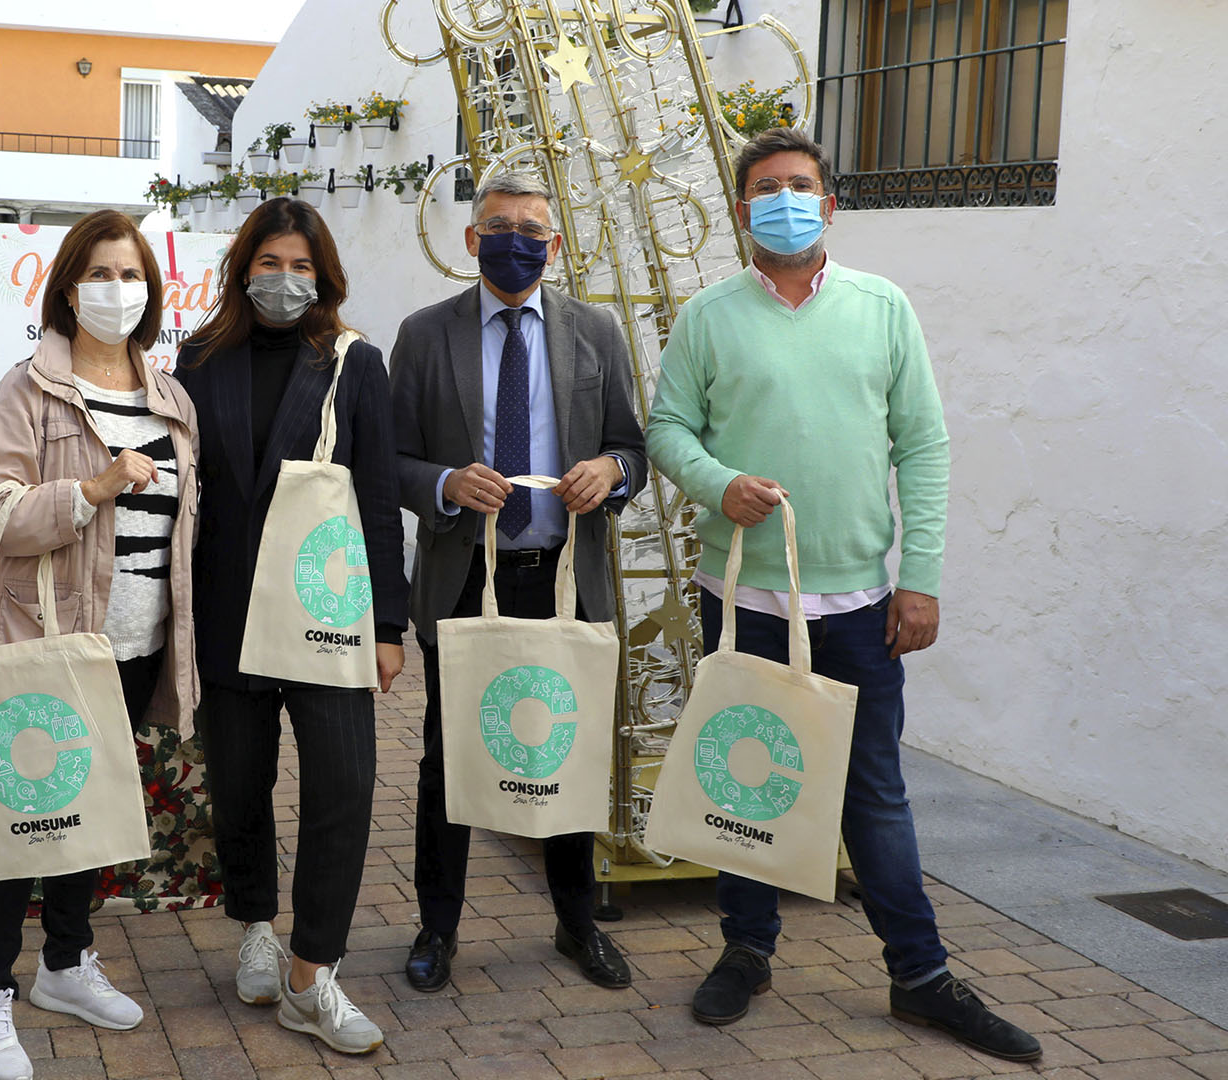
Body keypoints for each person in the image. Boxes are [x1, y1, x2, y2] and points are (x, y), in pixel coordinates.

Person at [646, 128, 1041, 1063]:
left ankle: (921, 977)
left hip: (860, 603)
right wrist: (718, 483)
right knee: (746, 776)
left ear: (830, 204)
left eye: (801, 185)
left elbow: (925, 447)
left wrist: (923, 579)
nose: (785, 199)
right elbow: (666, 428)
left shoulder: (882, 307)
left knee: (874, 796)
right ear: (742, 209)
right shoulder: (707, 315)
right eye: (766, 188)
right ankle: (746, 950)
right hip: (742, 595)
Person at [387, 170, 648, 994]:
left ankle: (576, 924)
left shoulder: (595, 332)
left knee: (563, 751)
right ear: (472, 240)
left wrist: (609, 471)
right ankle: (438, 926)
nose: (515, 242)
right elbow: (387, 459)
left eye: (532, 231)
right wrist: (442, 484)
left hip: (562, 580)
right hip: (465, 579)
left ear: (555, 244)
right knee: (449, 759)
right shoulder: (425, 336)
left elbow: (632, 450)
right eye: (499, 227)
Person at [0, 210, 201, 1080]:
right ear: (68, 287)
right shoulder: (29, 391)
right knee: (23, 819)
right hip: (51, 638)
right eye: (99, 274)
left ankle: (64, 963)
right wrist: (93, 487)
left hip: (136, 643)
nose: (117, 291)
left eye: (131, 275)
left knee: (89, 813)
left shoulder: (170, 398)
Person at [175, 197, 405, 1056]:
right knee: (238, 784)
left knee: (342, 788)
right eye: (269, 263)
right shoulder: (199, 361)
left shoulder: (355, 363)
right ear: (243, 270)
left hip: (328, 609)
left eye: (300, 265)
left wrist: (389, 623)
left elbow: (378, 501)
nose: (284, 280)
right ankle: (256, 928)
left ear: (325, 275)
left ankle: (316, 972)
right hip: (226, 609)